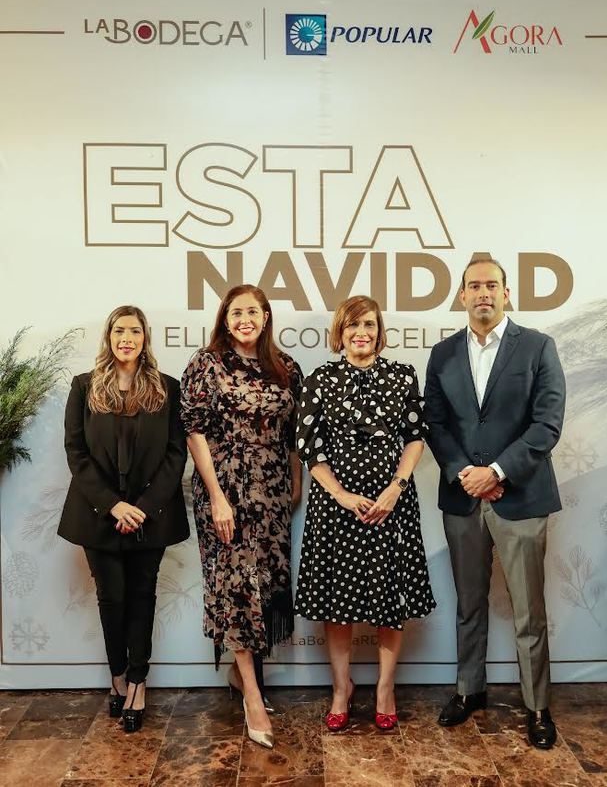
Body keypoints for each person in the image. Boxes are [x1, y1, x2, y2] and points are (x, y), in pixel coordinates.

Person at [424, 258, 566, 749]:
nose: (483, 293)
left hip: (521, 497)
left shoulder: (539, 347)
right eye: (473, 286)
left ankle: (538, 706)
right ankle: (469, 690)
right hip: (462, 497)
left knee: (530, 610)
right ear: (461, 296)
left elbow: (547, 424)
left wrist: (498, 472)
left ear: (507, 293)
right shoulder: (442, 355)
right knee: (469, 603)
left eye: (491, 285)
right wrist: (467, 475)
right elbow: (435, 424)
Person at [295, 295, 435, 732]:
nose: (362, 332)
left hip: (390, 505)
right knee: (338, 604)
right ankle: (341, 688)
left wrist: (396, 488)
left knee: (389, 598)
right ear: (340, 331)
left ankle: (385, 689)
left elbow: (415, 436)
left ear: (380, 330)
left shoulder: (401, 376)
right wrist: (340, 494)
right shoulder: (319, 379)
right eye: (353, 324)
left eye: (370, 324)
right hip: (336, 508)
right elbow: (309, 449)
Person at [180, 284, 302, 749]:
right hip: (226, 483)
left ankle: (240, 671)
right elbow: (193, 432)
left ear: (266, 316)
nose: (245, 319)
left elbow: (292, 435)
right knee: (236, 584)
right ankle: (252, 693)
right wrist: (216, 497)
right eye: (236, 312)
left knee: (265, 581)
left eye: (253, 311)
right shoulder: (206, 363)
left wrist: (296, 481)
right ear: (225, 318)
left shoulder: (286, 366)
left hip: (272, 489)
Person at [58, 305, 189, 733]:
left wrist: (143, 509)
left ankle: (137, 681)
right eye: (119, 331)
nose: (126, 338)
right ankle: (116, 675)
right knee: (111, 599)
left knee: (142, 597)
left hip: (151, 516)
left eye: (134, 331)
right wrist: (113, 505)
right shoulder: (84, 387)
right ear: (109, 337)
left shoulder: (167, 389)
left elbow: (175, 455)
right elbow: (76, 453)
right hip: (98, 515)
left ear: (145, 337)